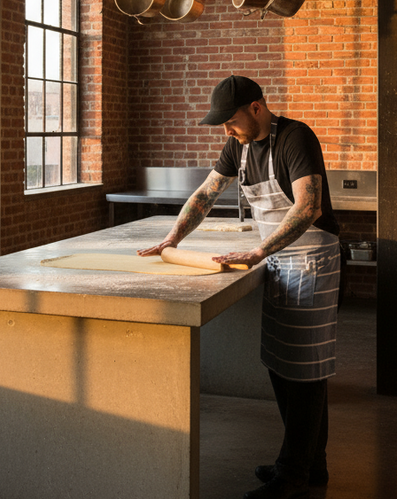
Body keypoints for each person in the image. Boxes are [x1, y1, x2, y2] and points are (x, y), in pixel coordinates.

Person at [138, 75, 340, 499]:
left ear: (256, 108)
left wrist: (257, 251)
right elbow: (206, 195)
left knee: (305, 371)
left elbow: (309, 207)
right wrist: (174, 238)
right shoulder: (239, 146)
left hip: (311, 259)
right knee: (282, 365)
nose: (226, 131)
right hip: (276, 257)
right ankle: (309, 464)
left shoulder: (296, 138)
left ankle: (293, 473)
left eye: (230, 121)